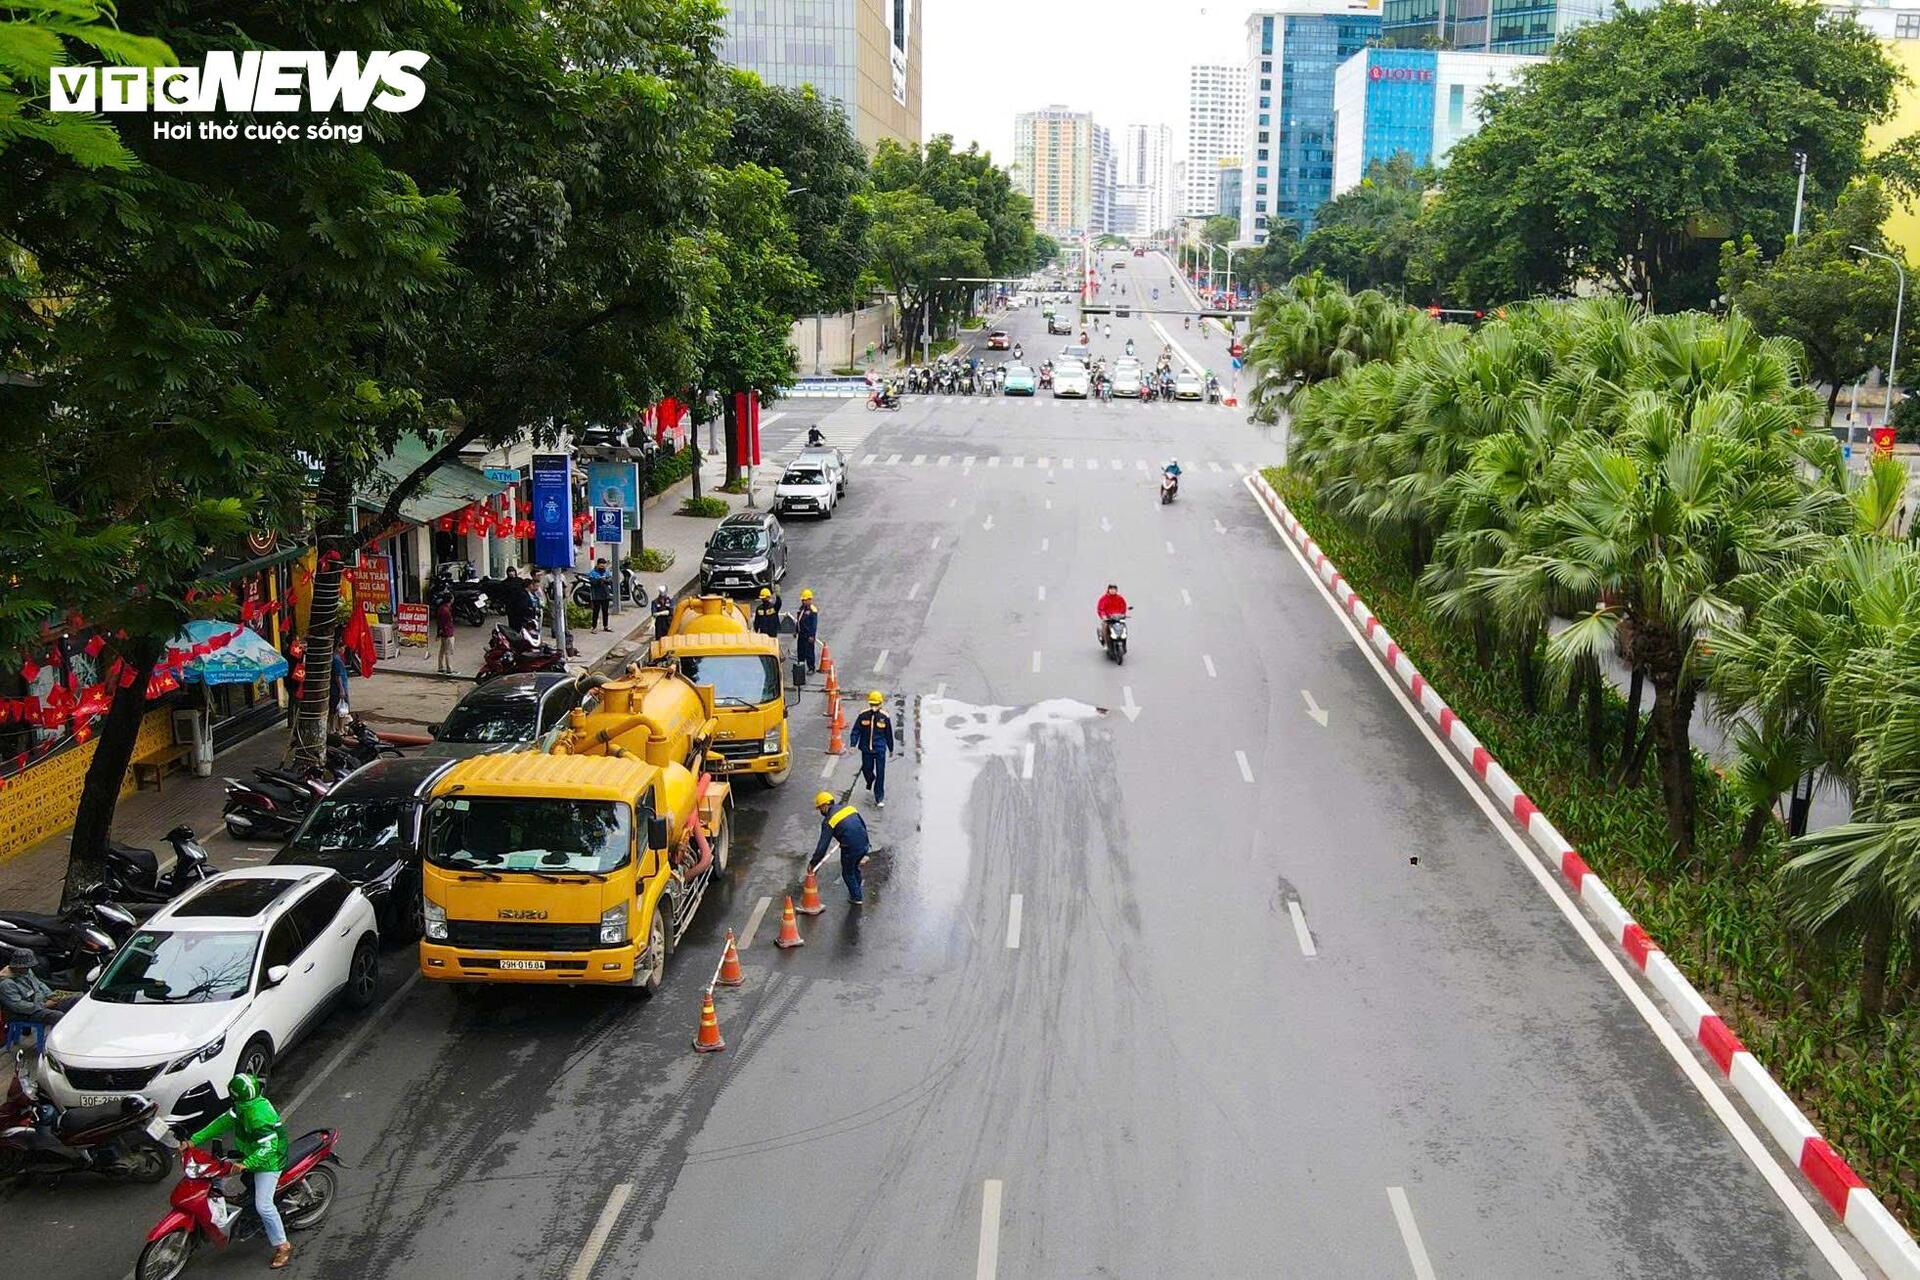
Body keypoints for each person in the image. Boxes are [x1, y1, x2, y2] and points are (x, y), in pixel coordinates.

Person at [190, 1073, 293, 1269]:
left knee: (264, 1206)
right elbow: (222, 1122)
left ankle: (283, 1245)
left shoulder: (258, 1116)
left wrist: (247, 1163)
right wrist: (193, 1140)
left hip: (269, 1161)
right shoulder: (243, 1106)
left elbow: (269, 1148)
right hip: (250, 1153)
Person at [809, 791, 872, 905]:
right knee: (854, 868)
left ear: (825, 806)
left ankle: (856, 897)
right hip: (864, 843)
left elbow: (822, 847)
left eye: (820, 808)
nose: (820, 811)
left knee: (847, 873)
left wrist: (813, 863)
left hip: (850, 848)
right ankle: (857, 889)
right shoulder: (849, 808)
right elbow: (862, 825)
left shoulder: (829, 821)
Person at [0, 947, 77, 1027]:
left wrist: (51, 995)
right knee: (58, 1016)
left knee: (74, 1000)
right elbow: (18, 1006)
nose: (28, 969)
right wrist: (43, 1005)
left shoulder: (26, 971)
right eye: (25, 967)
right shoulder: (6, 984)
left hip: (41, 1003)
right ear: (18, 967)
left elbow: (39, 984)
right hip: (25, 1013)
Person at [850, 690, 895, 808]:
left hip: (879, 750)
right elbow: (856, 730)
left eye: (876, 705)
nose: (874, 707)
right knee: (866, 769)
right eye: (872, 704)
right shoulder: (863, 715)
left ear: (881, 704)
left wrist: (891, 748)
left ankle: (879, 797)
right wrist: (853, 744)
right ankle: (870, 780)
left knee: (880, 773)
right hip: (866, 749)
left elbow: (889, 734)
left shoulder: (885, 717)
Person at [795, 588, 820, 673]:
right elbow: (798, 620)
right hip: (801, 634)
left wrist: (812, 635)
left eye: (805, 600)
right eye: (802, 600)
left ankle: (811, 668)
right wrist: (796, 630)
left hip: (808, 635)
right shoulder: (801, 609)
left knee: (809, 652)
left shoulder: (813, 610)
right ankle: (800, 667)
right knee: (800, 651)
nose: (803, 602)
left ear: (810, 599)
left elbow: (814, 625)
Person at [1096, 582, 1129, 648]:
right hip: (1108, 619)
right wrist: (1103, 616)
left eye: (1114, 589)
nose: (1112, 591)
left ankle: (1123, 642)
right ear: (1108, 590)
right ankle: (1106, 642)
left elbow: (1123, 607)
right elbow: (1100, 609)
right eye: (1111, 589)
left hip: (1118, 618)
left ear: (1116, 590)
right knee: (1105, 627)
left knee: (1123, 627)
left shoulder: (1120, 598)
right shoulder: (1104, 599)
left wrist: (1122, 615)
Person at [433, 591, 457, 675]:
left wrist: (439, 633)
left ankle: (440, 667)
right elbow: (444, 623)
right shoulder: (446, 610)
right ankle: (449, 668)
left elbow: (439, 622)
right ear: (450, 599)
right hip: (448, 633)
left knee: (442, 651)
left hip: (444, 633)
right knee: (448, 652)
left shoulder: (441, 608)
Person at [588, 559, 613, 633]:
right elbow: (592, 582)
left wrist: (605, 580)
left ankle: (606, 626)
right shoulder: (593, 573)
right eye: (601, 566)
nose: (603, 567)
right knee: (596, 612)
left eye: (604, 566)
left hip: (605, 594)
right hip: (596, 595)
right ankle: (594, 627)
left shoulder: (606, 572)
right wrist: (599, 580)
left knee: (605, 611)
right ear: (598, 564)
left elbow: (610, 579)